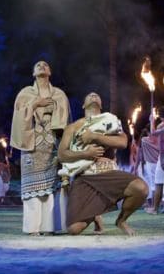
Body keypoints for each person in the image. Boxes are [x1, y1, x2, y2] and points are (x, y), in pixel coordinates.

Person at [58, 93, 148, 236]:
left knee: (141, 188)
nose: (93, 96)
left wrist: (94, 136)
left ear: (101, 105)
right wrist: (85, 154)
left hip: (108, 173)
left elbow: (123, 142)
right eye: (89, 96)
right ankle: (95, 214)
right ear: (83, 105)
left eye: (97, 96)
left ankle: (121, 221)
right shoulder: (73, 127)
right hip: (85, 176)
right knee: (73, 229)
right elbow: (62, 155)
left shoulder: (109, 121)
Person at [11, 60, 70, 235]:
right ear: (33, 73)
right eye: (38, 65)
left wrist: (53, 106)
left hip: (51, 145)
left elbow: (65, 120)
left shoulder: (59, 94)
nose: (42, 66)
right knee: (31, 188)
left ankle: (49, 227)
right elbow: (18, 117)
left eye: (45, 65)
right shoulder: (25, 94)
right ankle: (32, 228)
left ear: (50, 71)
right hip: (31, 145)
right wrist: (36, 104)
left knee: (51, 188)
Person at [146, 106, 164, 215]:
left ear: (160, 115)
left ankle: (155, 209)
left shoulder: (162, 125)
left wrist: (161, 159)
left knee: (158, 182)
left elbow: (161, 143)